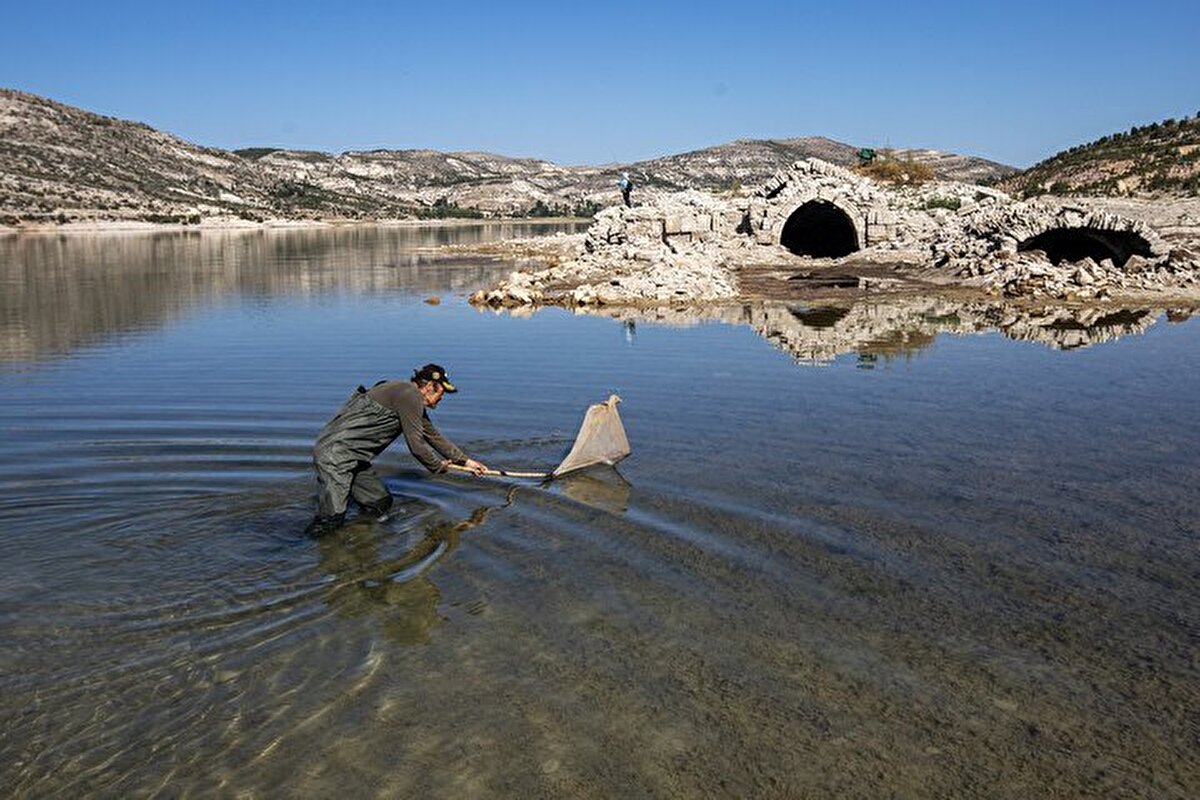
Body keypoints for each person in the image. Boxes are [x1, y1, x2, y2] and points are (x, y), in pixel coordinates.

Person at [306, 363, 489, 536]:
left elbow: (432, 435)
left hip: (354, 457)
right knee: (330, 521)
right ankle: (299, 550)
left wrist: (466, 461)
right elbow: (416, 447)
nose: (442, 398)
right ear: (431, 386)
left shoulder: (407, 395)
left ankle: (361, 538)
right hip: (336, 457)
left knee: (380, 502)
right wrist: (438, 466)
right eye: (442, 392)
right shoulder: (410, 396)